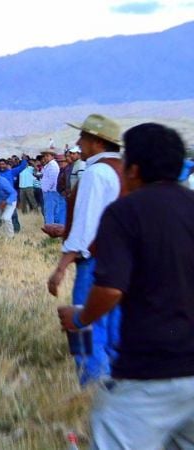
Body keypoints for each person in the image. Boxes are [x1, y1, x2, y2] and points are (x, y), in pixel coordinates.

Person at [57, 123, 194, 449]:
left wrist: (79, 319)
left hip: (151, 373)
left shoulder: (125, 213)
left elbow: (110, 290)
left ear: (134, 168)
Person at [48, 113, 124, 386]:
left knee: (84, 322)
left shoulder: (95, 173)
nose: (79, 142)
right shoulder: (125, 171)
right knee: (114, 327)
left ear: (96, 142)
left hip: (95, 262)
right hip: (122, 262)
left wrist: (61, 265)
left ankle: (91, 384)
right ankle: (115, 382)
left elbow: (86, 226)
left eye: (84, 137)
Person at [39, 149, 64, 225]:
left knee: (49, 212)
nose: (45, 157)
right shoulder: (48, 165)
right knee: (53, 211)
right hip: (49, 191)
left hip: (50, 192)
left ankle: (50, 228)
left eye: (47, 156)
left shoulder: (53, 166)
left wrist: (46, 189)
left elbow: (53, 179)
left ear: (52, 156)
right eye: (45, 156)